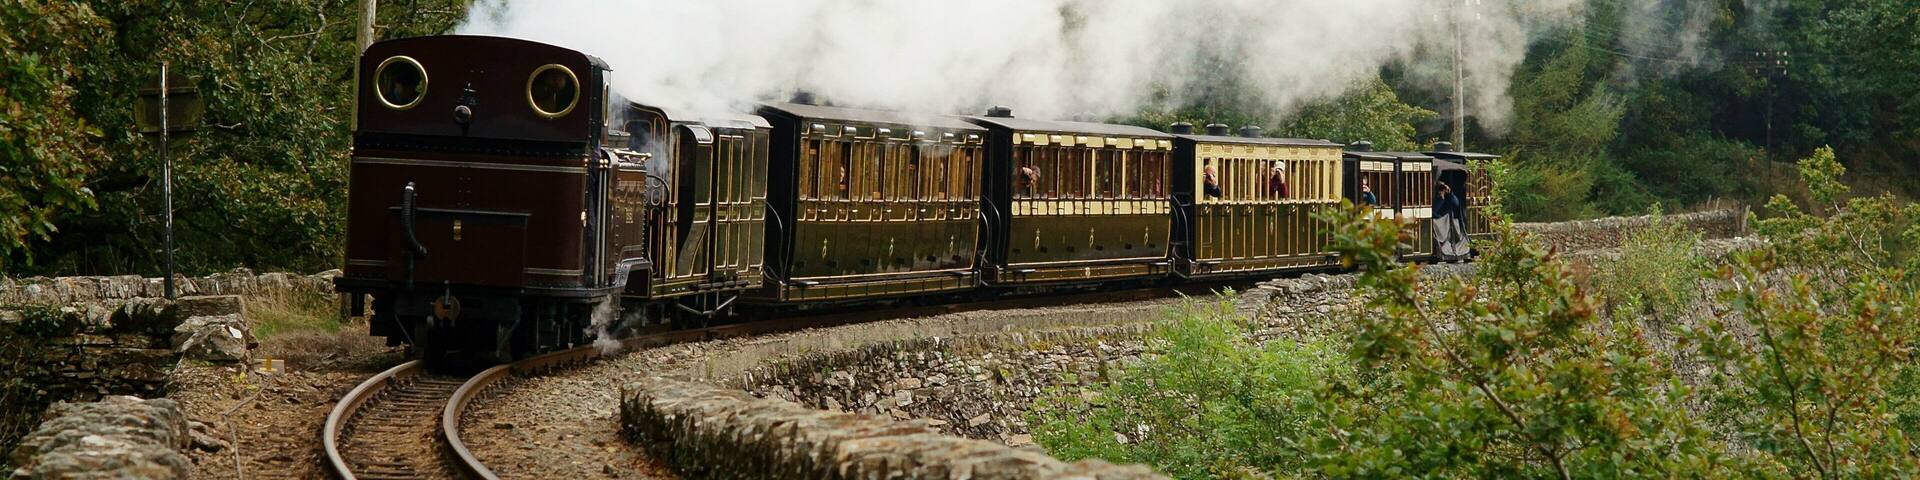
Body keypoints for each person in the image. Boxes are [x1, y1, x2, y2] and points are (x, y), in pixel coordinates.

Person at [1432, 182, 1471, 261]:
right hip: (1438, 222)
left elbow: (1456, 204)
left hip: (1450, 221)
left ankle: (1457, 251)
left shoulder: (1449, 196)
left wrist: (1450, 194)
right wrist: (1440, 198)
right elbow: (1433, 212)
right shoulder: (1435, 197)